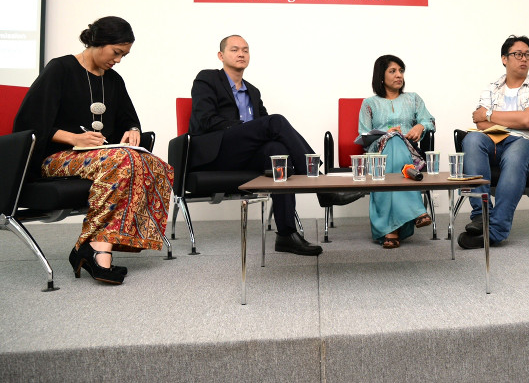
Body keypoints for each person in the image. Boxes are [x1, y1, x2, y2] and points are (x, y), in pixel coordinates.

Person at [13, 16, 174, 285]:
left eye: (124, 55)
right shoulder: (60, 69)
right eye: (116, 52)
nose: (118, 60)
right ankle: (96, 251)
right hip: (54, 158)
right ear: (99, 42)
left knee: (156, 164)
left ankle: (98, 245)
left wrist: (133, 129)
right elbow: (29, 124)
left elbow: (128, 118)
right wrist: (74, 138)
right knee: (122, 160)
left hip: (101, 157)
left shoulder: (114, 81)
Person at [188, 35, 362, 256]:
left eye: (245, 50)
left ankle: (286, 235)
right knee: (276, 122)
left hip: (246, 155)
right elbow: (205, 120)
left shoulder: (253, 91)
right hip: (219, 152)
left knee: (278, 152)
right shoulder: (207, 79)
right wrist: (244, 128)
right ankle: (321, 186)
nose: (241, 54)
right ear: (221, 56)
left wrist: (254, 130)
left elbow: (266, 129)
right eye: (234, 50)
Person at [457, 35, 529, 249]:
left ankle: (496, 230)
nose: (524, 59)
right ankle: (481, 215)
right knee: (472, 138)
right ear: (504, 59)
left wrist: (491, 115)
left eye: (527, 54)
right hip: (495, 140)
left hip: (526, 142)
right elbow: (480, 123)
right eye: (518, 54)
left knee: (515, 155)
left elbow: (528, 120)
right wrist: (523, 122)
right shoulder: (491, 88)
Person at [358, 55, 435, 248]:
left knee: (397, 140)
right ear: (381, 76)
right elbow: (364, 137)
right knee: (392, 139)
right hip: (379, 156)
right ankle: (417, 210)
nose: (399, 75)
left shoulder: (413, 99)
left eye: (401, 71)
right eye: (392, 71)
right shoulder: (369, 104)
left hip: (410, 154)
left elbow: (430, 121)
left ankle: (390, 231)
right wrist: (387, 134)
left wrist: (420, 126)